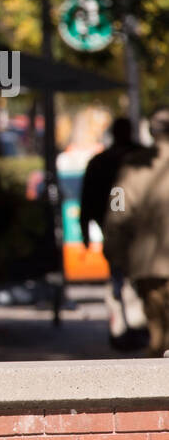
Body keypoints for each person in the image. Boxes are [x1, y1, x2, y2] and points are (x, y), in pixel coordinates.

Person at [80, 116, 150, 350]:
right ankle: (131, 328)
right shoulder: (141, 158)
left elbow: (87, 200)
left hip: (118, 231)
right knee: (134, 280)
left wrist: (86, 234)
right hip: (136, 232)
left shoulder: (102, 161)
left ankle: (129, 328)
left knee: (122, 280)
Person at [104, 107, 169, 357]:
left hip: (148, 265)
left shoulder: (134, 166)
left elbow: (117, 209)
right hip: (150, 262)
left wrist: (114, 252)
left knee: (158, 339)